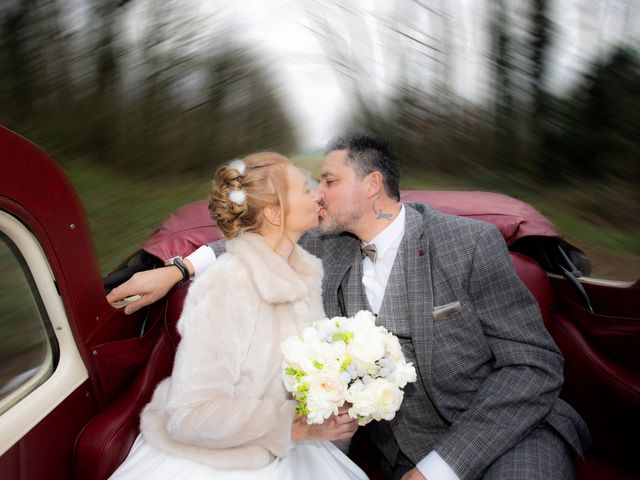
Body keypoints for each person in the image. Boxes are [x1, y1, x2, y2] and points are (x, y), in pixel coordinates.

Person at [108, 134, 590, 480]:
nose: (318, 193)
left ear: (372, 184)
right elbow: (253, 242)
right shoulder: (327, 246)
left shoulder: (467, 243)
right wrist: (177, 268)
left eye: (329, 180)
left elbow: (534, 364)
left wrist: (443, 468)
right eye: (311, 184)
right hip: (404, 449)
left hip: (513, 431)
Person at [108, 152, 367, 480]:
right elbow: (190, 414)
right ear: (274, 213)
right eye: (305, 189)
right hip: (220, 459)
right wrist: (292, 426)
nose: (318, 194)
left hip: (283, 445)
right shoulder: (228, 285)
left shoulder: (304, 272)